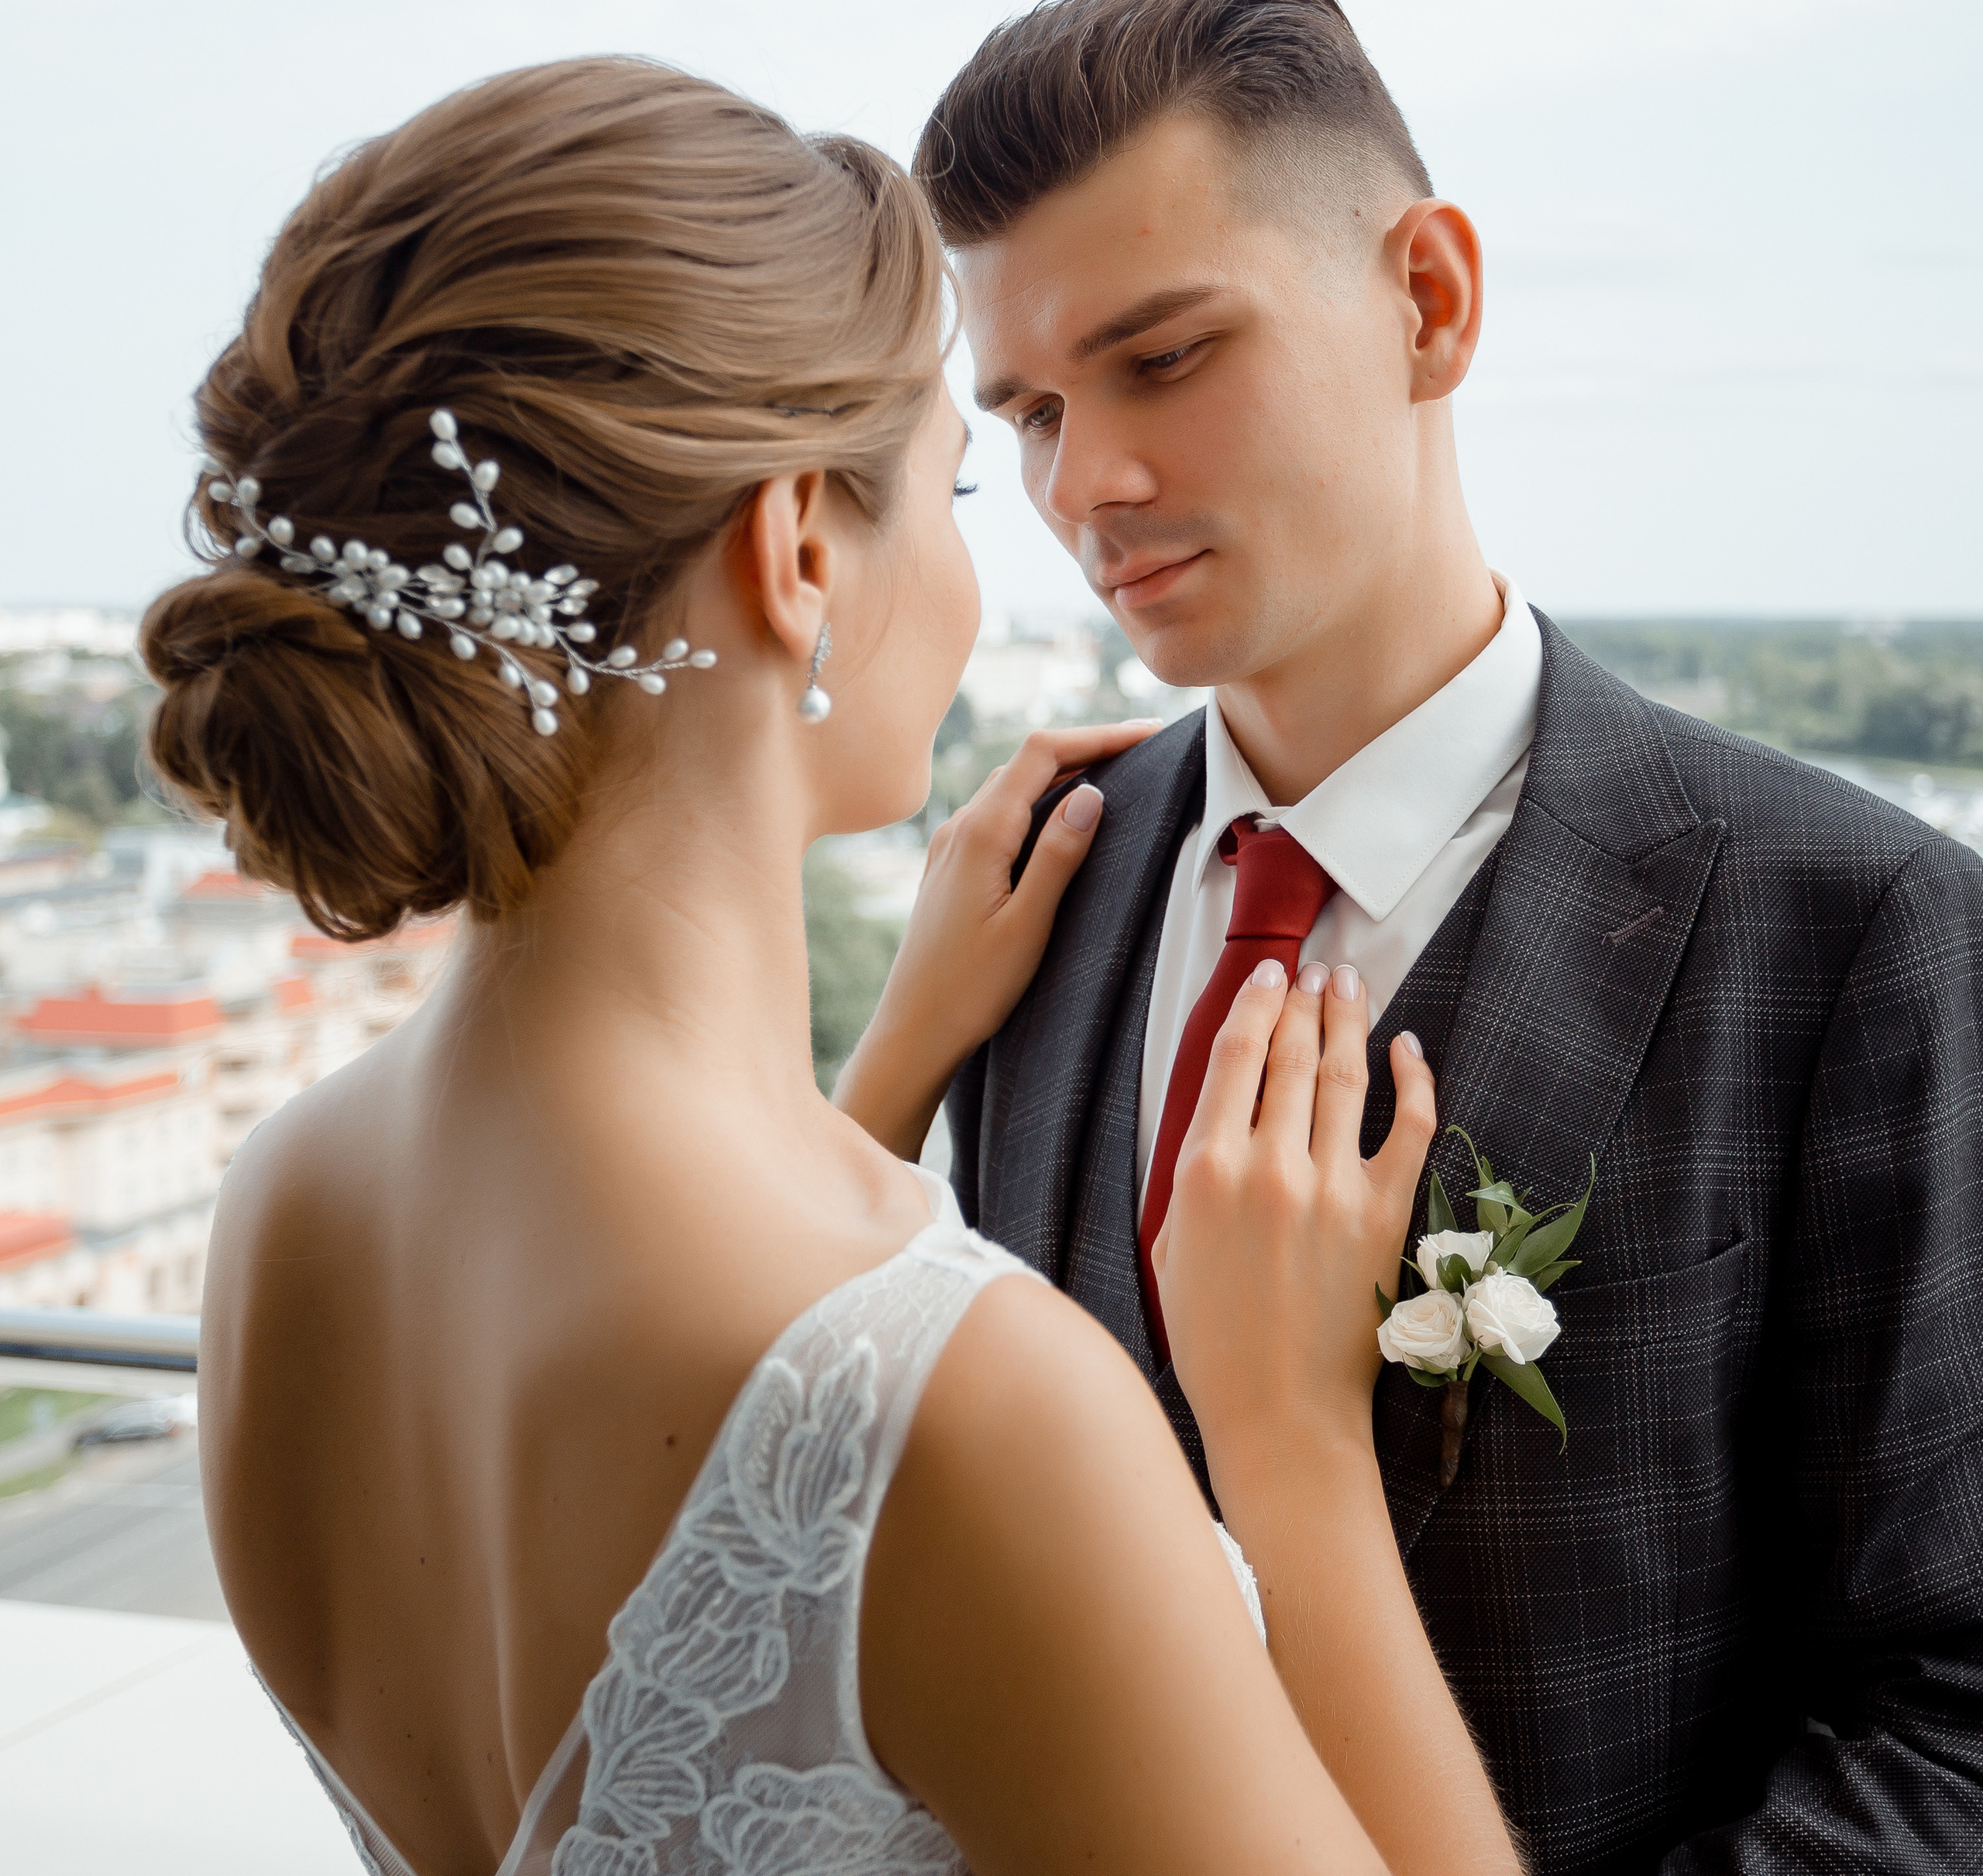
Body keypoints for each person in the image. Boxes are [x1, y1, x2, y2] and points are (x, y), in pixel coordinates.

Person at [153, 57, 1524, 1876]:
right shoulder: (972, 1409)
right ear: (797, 547)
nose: (1035, 534)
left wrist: (886, 1067)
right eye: (958, 484)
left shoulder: (289, 1207)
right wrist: (1287, 1442)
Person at [837, 2, 1983, 1869]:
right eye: (1032, 413)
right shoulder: (1030, 891)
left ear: (1430, 301)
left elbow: (1952, 1725)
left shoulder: (1862, 927)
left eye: (1163, 356)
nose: (1081, 486)